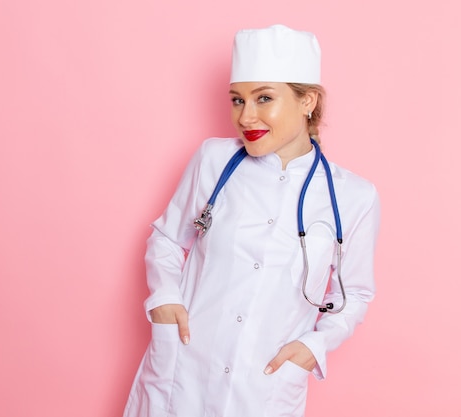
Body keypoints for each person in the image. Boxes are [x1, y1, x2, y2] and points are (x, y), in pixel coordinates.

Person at [123, 24, 380, 417]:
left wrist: (315, 346)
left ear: (307, 100)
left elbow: (354, 294)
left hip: (264, 387)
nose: (247, 116)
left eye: (264, 98)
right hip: (182, 373)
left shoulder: (353, 196)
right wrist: (164, 298)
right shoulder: (213, 160)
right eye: (237, 100)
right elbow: (167, 239)